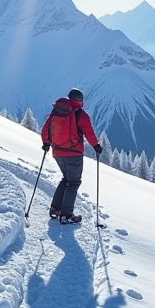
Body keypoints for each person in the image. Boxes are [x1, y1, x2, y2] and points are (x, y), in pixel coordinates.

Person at [40, 88, 102, 224]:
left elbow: (45, 129)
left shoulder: (56, 112)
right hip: (73, 154)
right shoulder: (80, 115)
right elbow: (89, 133)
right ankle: (66, 214)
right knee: (73, 182)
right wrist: (96, 146)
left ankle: (55, 209)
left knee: (66, 179)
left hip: (57, 152)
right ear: (80, 101)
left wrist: (46, 143)